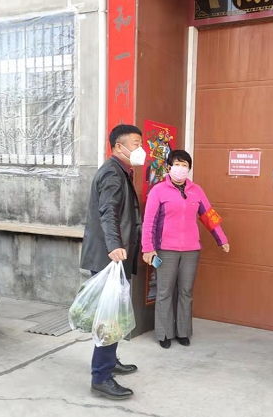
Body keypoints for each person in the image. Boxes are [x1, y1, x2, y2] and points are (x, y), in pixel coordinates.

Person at [80, 124, 145, 400]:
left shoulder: (121, 171)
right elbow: (107, 213)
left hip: (114, 255)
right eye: (136, 143)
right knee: (109, 316)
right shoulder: (112, 173)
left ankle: (109, 361)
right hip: (110, 257)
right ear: (119, 147)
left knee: (114, 314)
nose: (141, 149)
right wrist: (115, 246)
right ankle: (101, 377)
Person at [141, 150, 230, 349]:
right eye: (177, 164)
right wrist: (148, 248)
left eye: (185, 165)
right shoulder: (158, 191)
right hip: (165, 250)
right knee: (164, 292)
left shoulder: (196, 191)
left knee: (186, 292)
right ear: (169, 167)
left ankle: (183, 332)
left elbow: (209, 216)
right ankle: (164, 333)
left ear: (189, 169)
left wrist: (221, 238)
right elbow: (149, 222)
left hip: (191, 250)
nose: (181, 169)